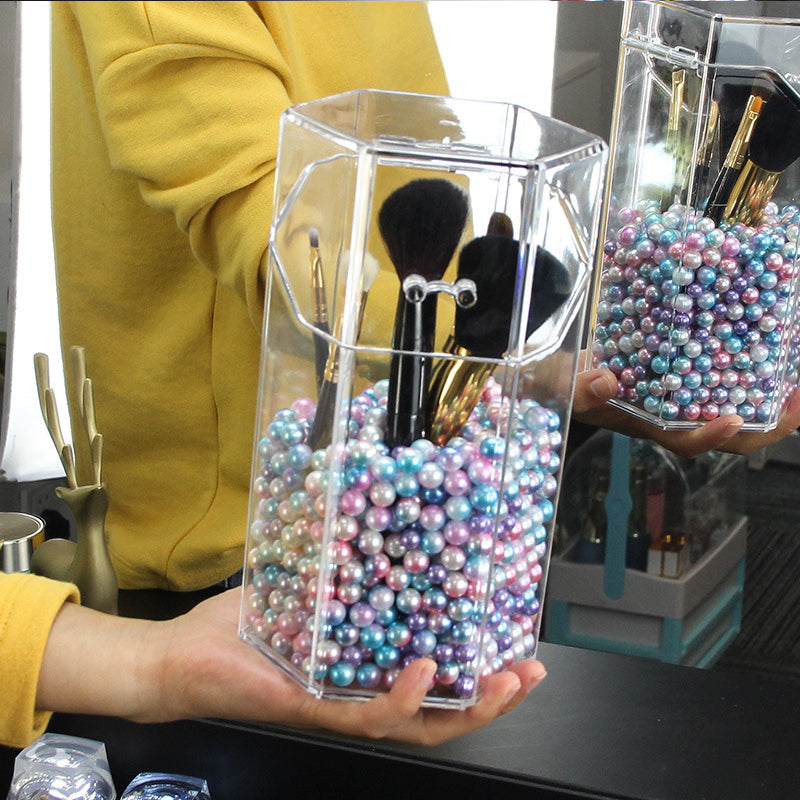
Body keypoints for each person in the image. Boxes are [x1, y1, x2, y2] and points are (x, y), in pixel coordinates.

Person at [3, 0, 800, 751]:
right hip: (251, 548)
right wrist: (536, 368)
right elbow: (279, 226)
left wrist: (556, 357)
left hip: (428, 513)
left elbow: (422, 181)